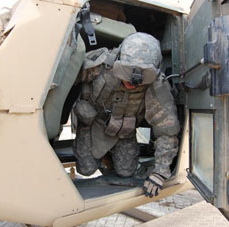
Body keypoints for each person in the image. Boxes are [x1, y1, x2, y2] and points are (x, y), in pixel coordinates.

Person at [73, 32, 180, 197]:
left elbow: (167, 128)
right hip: (94, 123)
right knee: (86, 169)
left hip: (124, 131)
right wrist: (80, 105)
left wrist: (160, 172)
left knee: (126, 172)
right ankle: (101, 152)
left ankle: (110, 155)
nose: (132, 82)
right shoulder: (101, 64)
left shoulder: (156, 85)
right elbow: (67, 82)